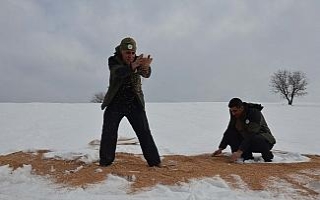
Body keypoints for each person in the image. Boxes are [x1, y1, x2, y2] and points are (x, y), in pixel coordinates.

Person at [99, 37, 161, 167]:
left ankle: (154, 162)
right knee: (109, 132)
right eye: (127, 53)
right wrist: (134, 65)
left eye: (133, 53)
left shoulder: (138, 60)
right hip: (115, 102)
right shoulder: (113, 61)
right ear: (121, 51)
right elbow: (118, 72)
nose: (130, 56)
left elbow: (146, 74)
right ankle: (105, 162)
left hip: (134, 103)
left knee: (144, 132)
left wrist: (146, 67)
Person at [212, 98, 276, 162]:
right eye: (231, 111)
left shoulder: (254, 113)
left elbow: (251, 134)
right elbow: (230, 130)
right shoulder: (234, 113)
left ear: (241, 108)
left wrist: (239, 151)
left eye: (235, 111)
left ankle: (267, 154)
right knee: (232, 134)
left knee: (255, 138)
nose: (233, 113)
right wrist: (221, 148)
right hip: (246, 139)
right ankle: (245, 156)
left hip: (264, 141)